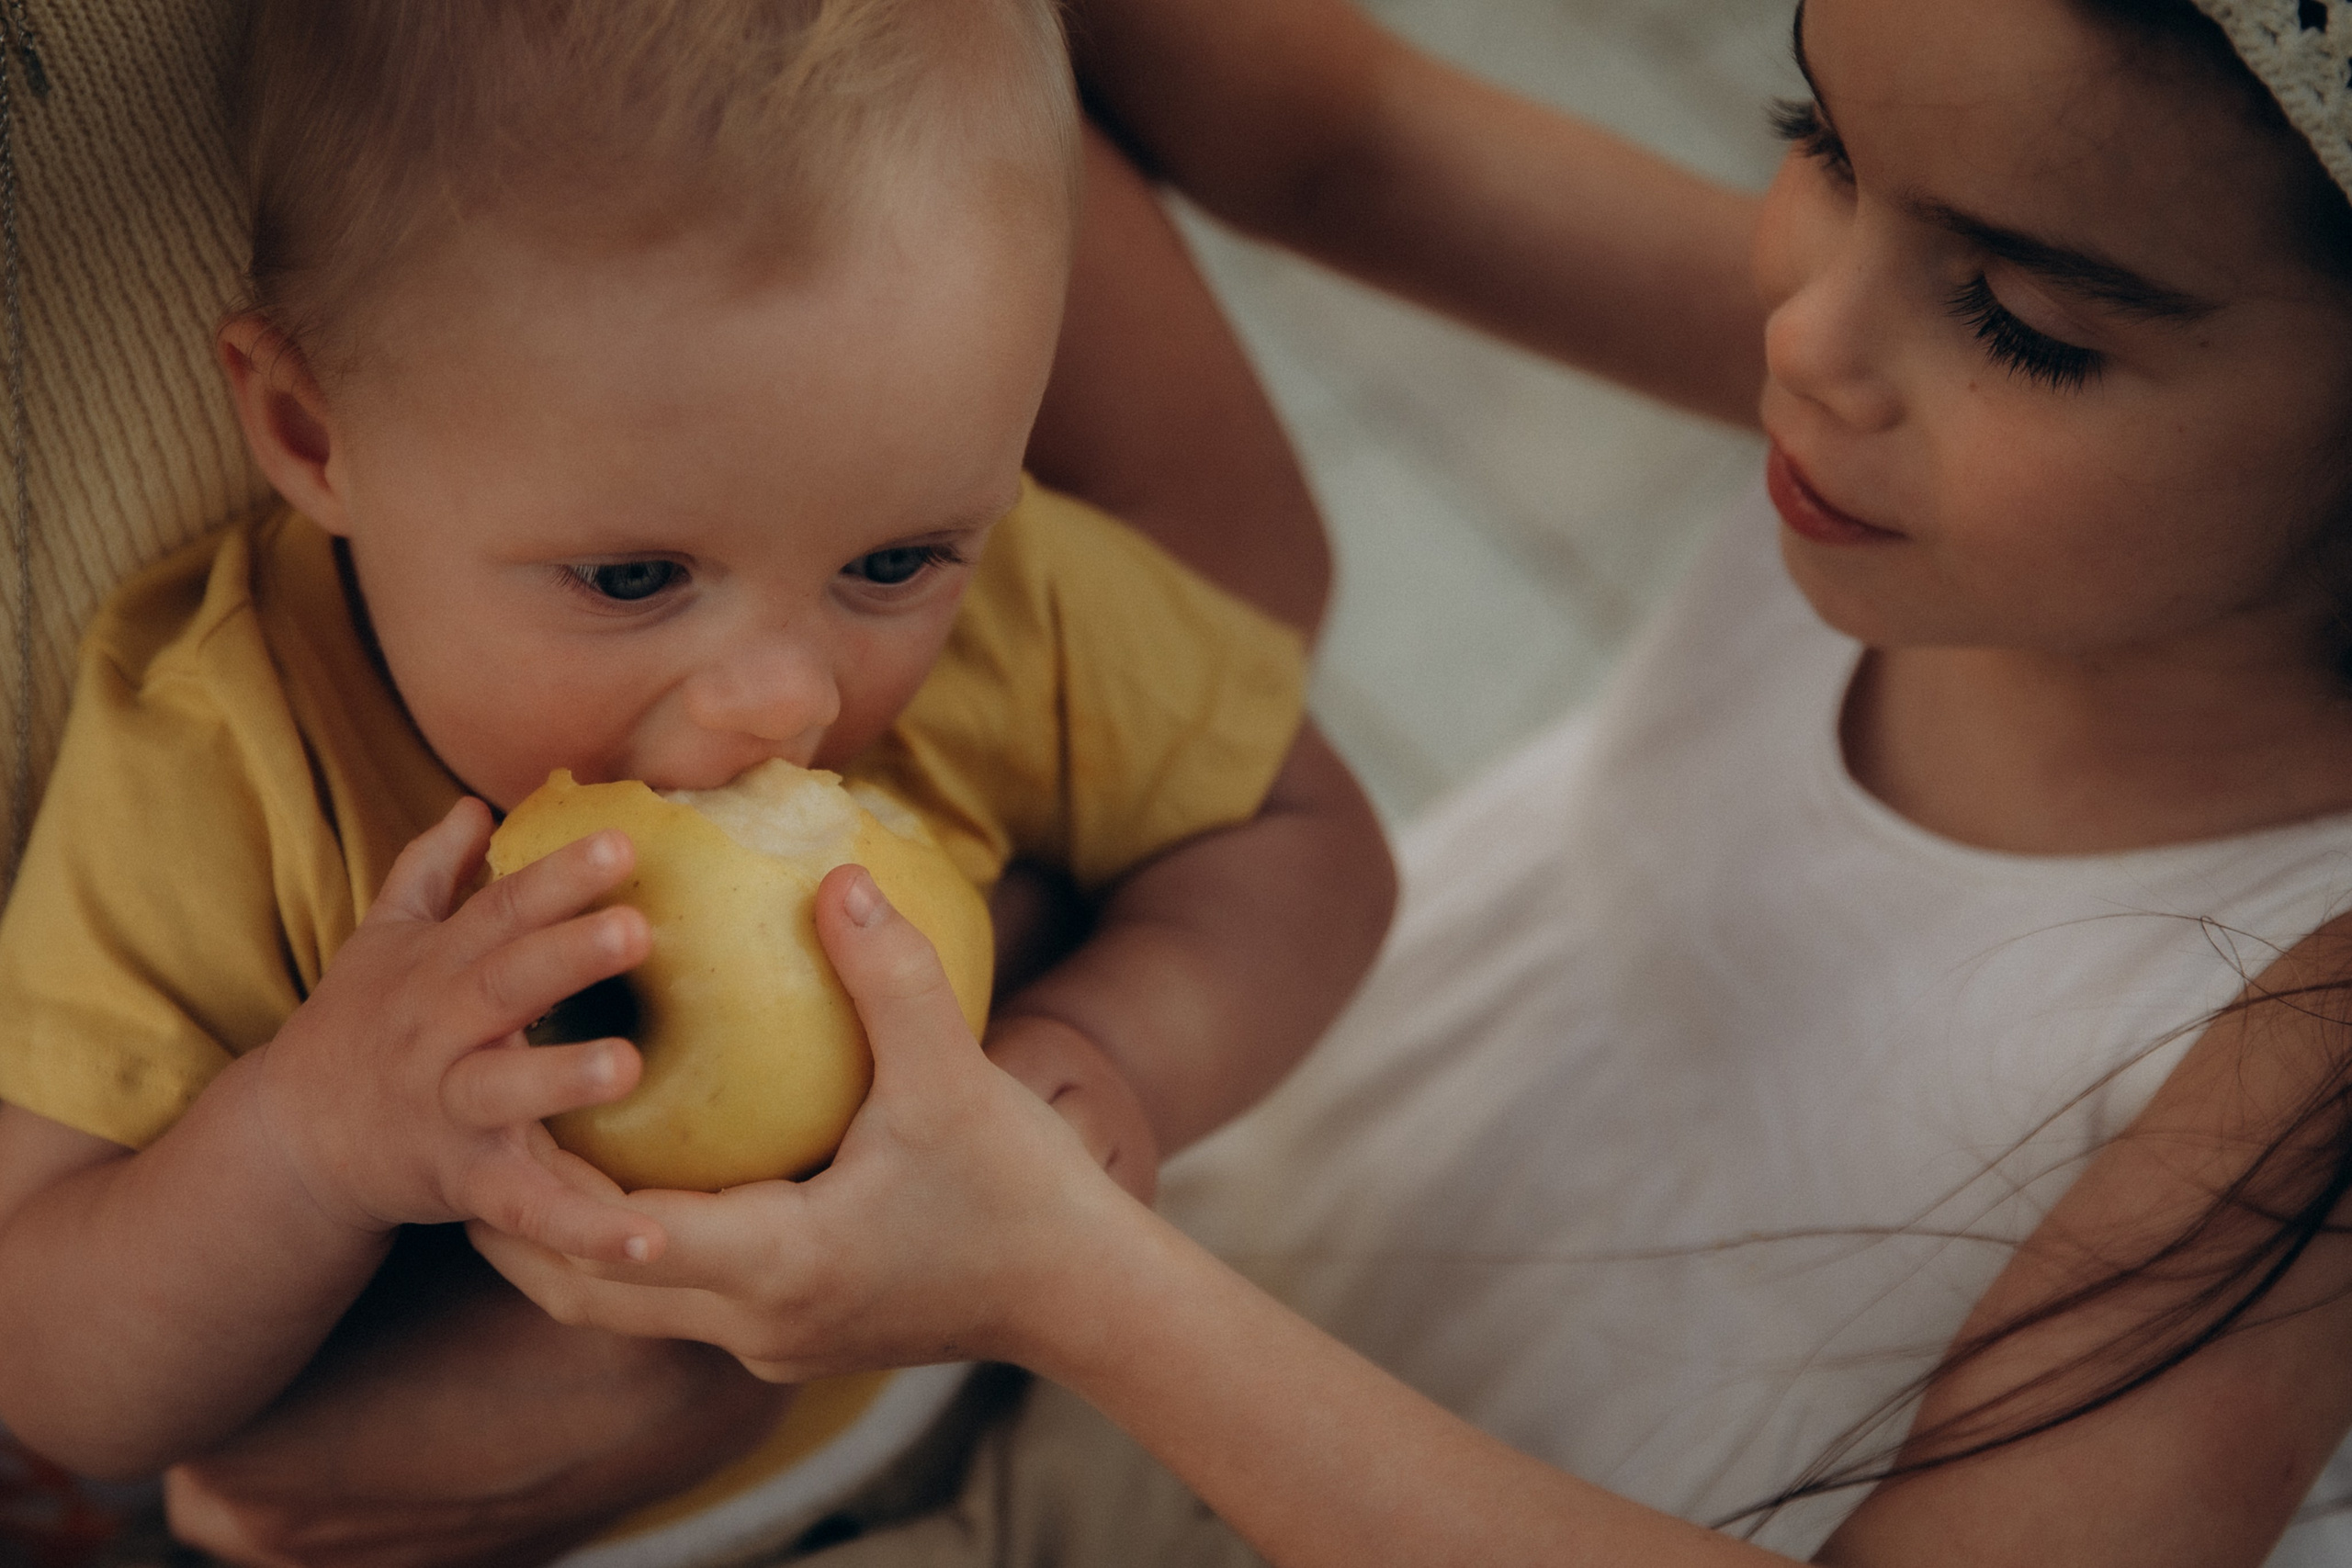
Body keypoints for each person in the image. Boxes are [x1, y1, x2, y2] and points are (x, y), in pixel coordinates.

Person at [474, 0, 2352, 1562]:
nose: (1801, 331)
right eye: (1818, 139)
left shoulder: (2313, 1027)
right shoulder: (1922, 413)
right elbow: (1335, 134)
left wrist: (1070, 1282)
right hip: (1112, 1351)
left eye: (2026, 323)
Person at [0, 1, 1390, 1562]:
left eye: (891, 561)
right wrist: (305, 1141)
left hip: (1054, 1406)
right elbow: (54, 1369)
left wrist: (1115, 1052)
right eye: (634, 576)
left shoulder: (1013, 600)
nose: (785, 701)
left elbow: (1313, 835)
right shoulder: (220, 764)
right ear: (314, 430)